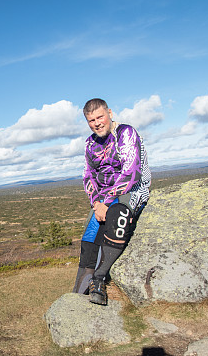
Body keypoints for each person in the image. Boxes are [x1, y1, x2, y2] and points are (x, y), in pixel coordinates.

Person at [72, 98, 151, 305]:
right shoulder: (90, 143)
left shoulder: (125, 133)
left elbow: (131, 172)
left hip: (131, 190)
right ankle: (79, 292)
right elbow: (88, 175)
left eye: (100, 117)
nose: (97, 123)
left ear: (110, 113)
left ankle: (99, 281)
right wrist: (97, 203)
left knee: (117, 215)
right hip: (103, 198)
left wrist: (106, 203)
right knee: (90, 235)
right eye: (91, 120)